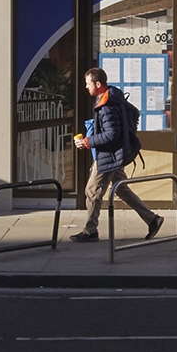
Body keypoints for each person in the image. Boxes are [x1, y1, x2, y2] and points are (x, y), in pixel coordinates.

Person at [70, 65, 161, 243]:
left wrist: (87, 142)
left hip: (109, 156)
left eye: (88, 83)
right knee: (121, 189)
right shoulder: (109, 99)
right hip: (114, 155)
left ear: (98, 83)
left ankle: (90, 231)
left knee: (92, 191)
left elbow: (112, 134)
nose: (86, 87)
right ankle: (152, 219)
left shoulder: (107, 106)